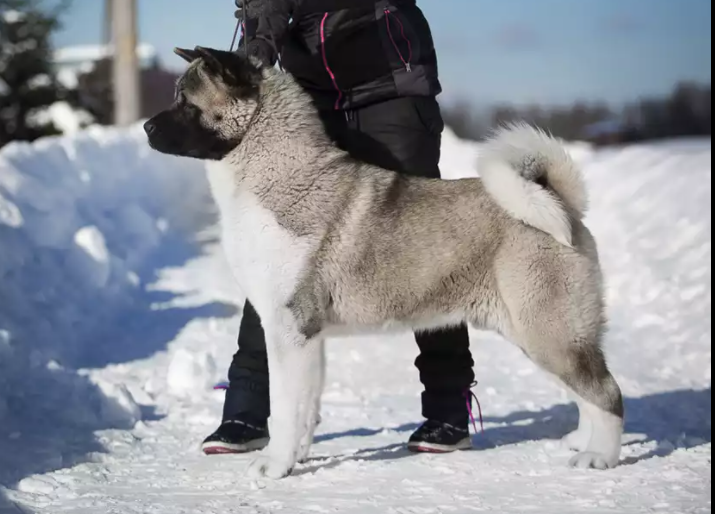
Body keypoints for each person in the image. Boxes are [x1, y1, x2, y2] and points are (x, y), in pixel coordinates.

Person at [202, 0, 477, 456]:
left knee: (424, 246)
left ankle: (448, 409)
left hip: (392, 90)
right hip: (311, 98)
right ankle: (247, 409)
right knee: (278, 248)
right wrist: (254, 53)